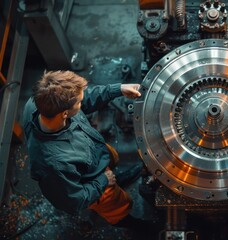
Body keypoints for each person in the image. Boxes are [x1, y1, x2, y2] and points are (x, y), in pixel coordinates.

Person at [22, 70, 148, 230]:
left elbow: (85, 97)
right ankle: (134, 225)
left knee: (112, 169)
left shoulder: (41, 102)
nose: (82, 101)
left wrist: (118, 89)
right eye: (79, 103)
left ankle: (117, 179)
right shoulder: (53, 165)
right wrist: (102, 181)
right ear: (65, 113)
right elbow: (73, 200)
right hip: (95, 185)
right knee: (118, 208)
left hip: (95, 155)